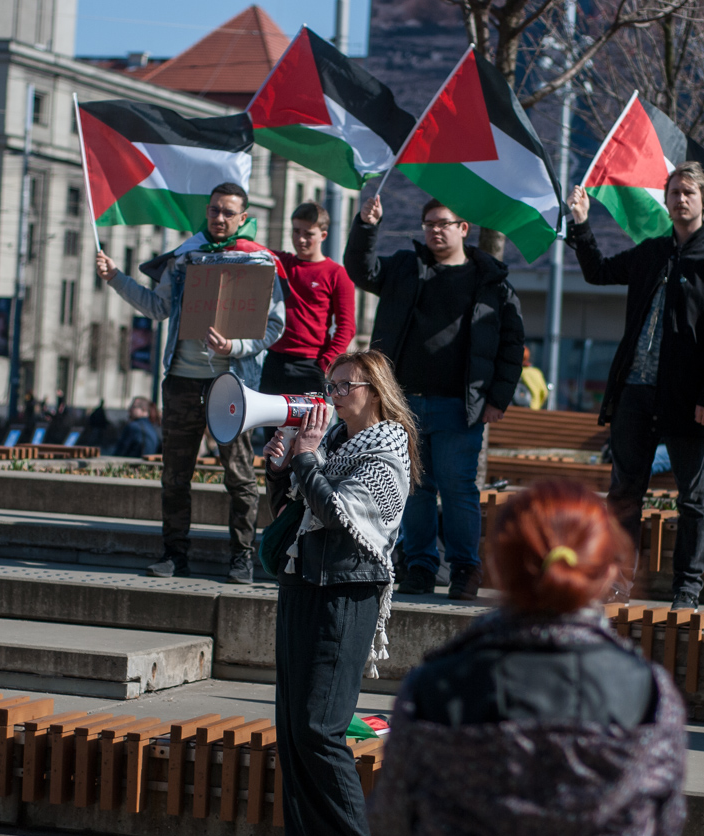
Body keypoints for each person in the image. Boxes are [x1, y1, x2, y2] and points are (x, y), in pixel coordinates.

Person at [367, 479, 687, 836]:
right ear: (606, 573)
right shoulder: (648, 692)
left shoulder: (433, 685)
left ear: (499, 567)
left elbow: (391, 824)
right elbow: (666, 825)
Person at [263, 349, 417, 836]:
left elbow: (336, 512)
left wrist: (306, 458)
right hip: (303, 581)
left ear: (374, 391)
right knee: (291, 731)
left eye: (345, 385)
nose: (333, 394)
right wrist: (281, 470)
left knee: (319, 731)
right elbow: (291, 511)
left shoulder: (387, 450)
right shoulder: (331, 442)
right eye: (331, 384)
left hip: (348, 593)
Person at [567, 163, 704, 609]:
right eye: (674, 192)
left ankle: (687, 588)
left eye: (688, 193)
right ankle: (618, 581)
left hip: (688, 401)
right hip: (635, 392)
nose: (680, 199)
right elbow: (598, 272)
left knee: (693, 498)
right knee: (624, 493)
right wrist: (581, 224)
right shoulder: (650, 253)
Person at [97, 182, 285, 585]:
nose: (218, 218)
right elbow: (158, 306)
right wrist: (117, 278)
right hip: (182, 379)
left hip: (230, 384)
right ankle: (173, 554)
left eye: (227, 212)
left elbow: (275, 326)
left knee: (238, 474)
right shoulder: (185, 258)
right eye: (214, 210)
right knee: (174, 474)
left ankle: (241, 558)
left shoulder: (258, 262)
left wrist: (234, 345)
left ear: (243, 218)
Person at [346, 195, 524, 600]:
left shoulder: (491, 281)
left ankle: (464, 569)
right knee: (415, 488)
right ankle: (421, 565)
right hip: (403, 403)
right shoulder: (406, 268)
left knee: (458, 487)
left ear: (463, 227)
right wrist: (366, 225)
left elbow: (512, 343)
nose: (434, 231)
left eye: (443, 223)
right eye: (428, 224)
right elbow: (361, 268)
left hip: (459, 406)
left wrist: (497, 396)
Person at [262, 201, 356, 395]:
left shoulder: (337, 274)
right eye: (296, 231)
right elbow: (251, 250)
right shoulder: (282, 263)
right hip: (274, 359)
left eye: (308, 234)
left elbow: (347, 326)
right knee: (272, 424)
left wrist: (326, 362)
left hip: (311, 365)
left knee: (307, 425)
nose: (301, 239)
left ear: (323, 235)